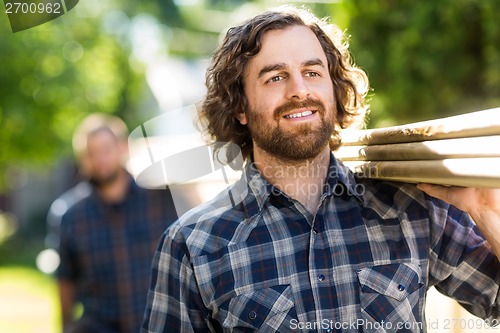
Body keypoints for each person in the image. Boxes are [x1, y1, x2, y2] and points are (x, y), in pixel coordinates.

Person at [142, 6, 500, 332]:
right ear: (240, 107)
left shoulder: (411, 207)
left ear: (333, 87)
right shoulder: (194, 245)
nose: (300, 91)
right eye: (275, 77)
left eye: (312, 72)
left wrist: (487, 212)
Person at [55, 113, 179, 333]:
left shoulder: (160, 200)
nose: (100, 159)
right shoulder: (71, 215)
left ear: (122, 147)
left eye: (106, 150)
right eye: (91, 153)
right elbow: (65, 280)